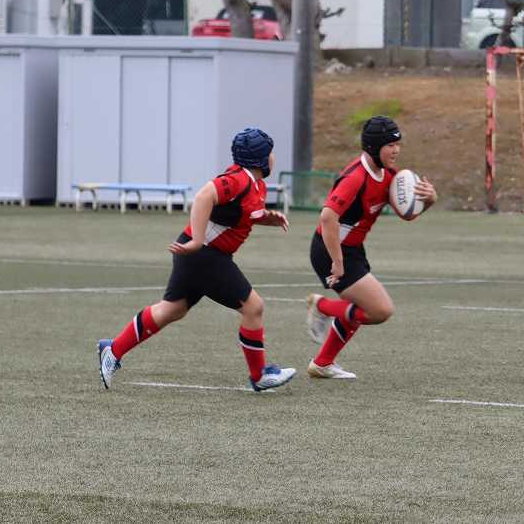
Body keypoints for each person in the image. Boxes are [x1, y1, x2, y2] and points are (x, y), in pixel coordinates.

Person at [98, 128, 296, 392]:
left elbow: (239, 213)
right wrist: (197, 241)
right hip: (203, 254)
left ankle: (113, 349)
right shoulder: (239, 179)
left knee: (172, 309)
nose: (273, 157)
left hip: (199, 255)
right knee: (253, 307)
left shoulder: (255, 183)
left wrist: (266, 218)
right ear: (260, 157)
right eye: (270, 152)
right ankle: (259, 375)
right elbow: (205, 196)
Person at [305, 115, 437, 379]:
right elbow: (327, 217)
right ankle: (322, 307)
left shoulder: (390, 176)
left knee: (361, 307)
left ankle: (322, 363)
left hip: (353, 250)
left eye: (397, 144)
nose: (396, 150)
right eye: (390, 145)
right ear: (374, 147)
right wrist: (338, 262)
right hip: (331, 251)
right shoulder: (356, 178)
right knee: (379, 310)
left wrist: (429, 199)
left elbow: (407, 215)